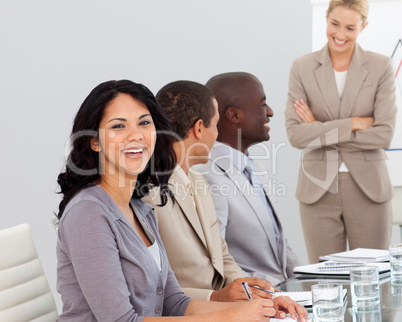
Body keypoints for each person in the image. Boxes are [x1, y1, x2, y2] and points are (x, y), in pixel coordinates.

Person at [56, 79, 308, 321]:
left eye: (144, 123)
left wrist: (260, 306)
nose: (136, 135)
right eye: (118, 126)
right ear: (94, 142)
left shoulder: (140, 208)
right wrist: (231, 316)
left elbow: (173, 301)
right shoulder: (88, 212)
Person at [143, 80, 293, 303]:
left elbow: (222, 254)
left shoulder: (198, 182)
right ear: (199, 128)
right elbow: (151, 283)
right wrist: (216, 298)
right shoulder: (148, 192)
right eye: (215, 125)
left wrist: (251, 292)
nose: (217, 134)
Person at [285, 0, 397, 263]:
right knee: (324, 284)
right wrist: (353, 123)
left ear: (363, 27)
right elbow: (295, 135)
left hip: (369, 187)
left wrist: (318, 129)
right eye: (335, 24)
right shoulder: (302, 67)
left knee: (373, 281)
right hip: (318, 188)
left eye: (350, 28)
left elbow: (383, 135)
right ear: (326, 18)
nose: (340, 34)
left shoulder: (380, 66)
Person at [196, 72, 300, 286]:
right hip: (254, 298)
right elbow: (216, 262)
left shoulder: (255, 165)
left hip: (285, 293)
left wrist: (305, 282)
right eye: (262, 105)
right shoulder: (207, 174)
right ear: (234, 115)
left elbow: (280, 245)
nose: (270, 113)